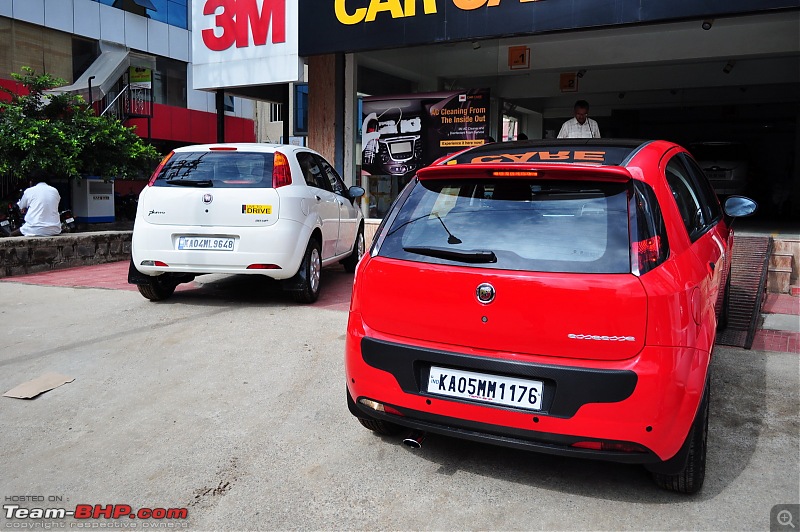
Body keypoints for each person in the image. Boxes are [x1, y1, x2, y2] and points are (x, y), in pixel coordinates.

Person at [9, 170, 62, 237]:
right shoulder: (54, 191)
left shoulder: (29, 191)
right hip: (55, 229)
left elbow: (21, 206)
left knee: (11, 234)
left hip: (34, 229)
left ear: (32, 181)